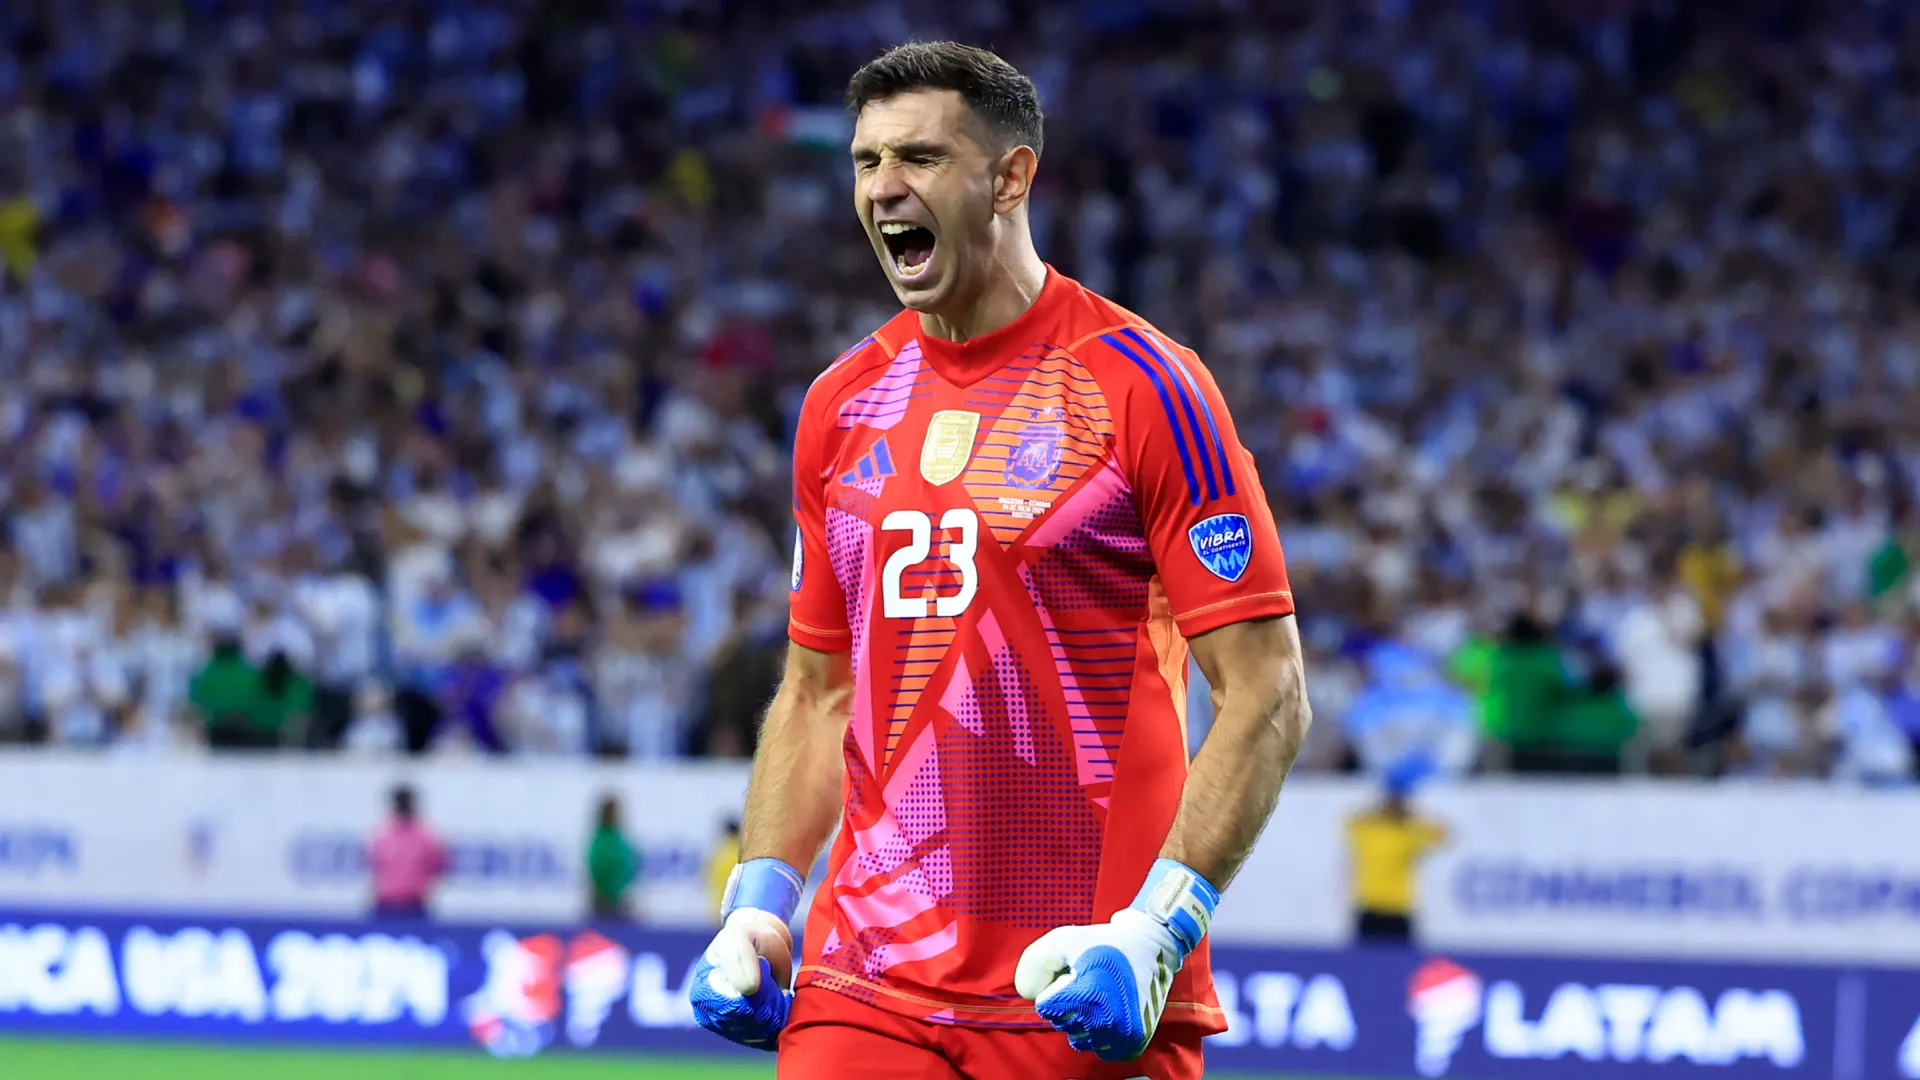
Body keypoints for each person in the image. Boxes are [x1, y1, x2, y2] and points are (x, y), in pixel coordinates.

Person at [688, 42, 1311, 1080]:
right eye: (865, 162)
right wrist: (757, 908)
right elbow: (815, 691)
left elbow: (1267, 693)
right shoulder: (840, 406)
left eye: (921, 158)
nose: (885, 188)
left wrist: (1158, 930)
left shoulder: (1144, 387)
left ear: (1010, 178)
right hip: (867, 984)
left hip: (1082, 983)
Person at [1344, 765, 1448, 946]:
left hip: (1398, 908)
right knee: (1360, 963)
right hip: (1369, 905)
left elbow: (1442, 835)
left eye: (1397, 802)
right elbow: (1348, 822)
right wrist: (1377, 812)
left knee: (1402, 964)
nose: (1393, 806)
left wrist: (1413, 816)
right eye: (1391, 801)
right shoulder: (1369, 829)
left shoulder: (1410, 832)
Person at [367, 785, 448, 919]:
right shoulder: (384, 835)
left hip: (414, 903)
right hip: (387, 902)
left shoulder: (425, 837)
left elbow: (439, 868)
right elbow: (375, 869)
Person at [586, 794, 641, 920]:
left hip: (619, 900)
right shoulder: (601, 841)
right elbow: (596, 870)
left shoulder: (619, 840)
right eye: (614, 813)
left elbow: (631, 866)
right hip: (603, 901)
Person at [705, 818, 743, 920]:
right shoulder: (744, 853)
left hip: (719, 909)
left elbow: (710, 880)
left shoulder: (719, 854)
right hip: (741, 911)